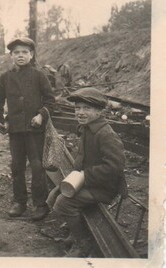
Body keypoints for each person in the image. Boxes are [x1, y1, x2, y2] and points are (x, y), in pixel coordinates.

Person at [47, 87, 127, 257]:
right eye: (77, 108)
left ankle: (84, 244)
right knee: (55, 194)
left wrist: (84, 175)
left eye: (86, 108)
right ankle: (74, 232)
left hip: (104, 187)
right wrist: (70, 180)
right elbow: (82, 159)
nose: (80, 113)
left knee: (63, 203)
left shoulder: (106, 135)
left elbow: (115, 167)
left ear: (99, 111)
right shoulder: (86, 128)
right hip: (90, 181)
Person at [0, 37, 55, 221]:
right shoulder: (5, 77)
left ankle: (40, 204)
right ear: (11, 55)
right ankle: (19, 202)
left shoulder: (39, 75)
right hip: (15, 131)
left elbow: (50, 101)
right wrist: (0, 120)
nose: (20, 55)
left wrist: (41, 115)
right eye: (16, 53)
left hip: (35, 131)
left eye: (24, 52)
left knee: (37, 167)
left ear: (31, 54)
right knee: (17, 166)